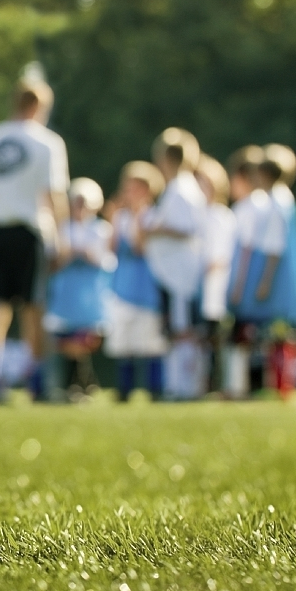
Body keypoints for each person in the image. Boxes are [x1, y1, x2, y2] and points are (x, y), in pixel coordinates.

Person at [0, 76, 70, 403]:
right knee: (32, 309)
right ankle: (37, 384)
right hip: (30, 231)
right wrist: (61, 237)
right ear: (39, 106)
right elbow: (54, 197)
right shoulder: (47, 143)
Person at [142, 128, 208, 400]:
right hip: (172, 274)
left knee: (184, 332)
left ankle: (185, 386)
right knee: (177, 331)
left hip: (181, 275)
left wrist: (155, 230)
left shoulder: (182, 189)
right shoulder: (178, 188)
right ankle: (178, 385)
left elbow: (188, 228)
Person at [44, 177, 115, 402]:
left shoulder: (101, 229)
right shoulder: (62, 228)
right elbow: (53, 262)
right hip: (66, 294)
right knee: (67, 343)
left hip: (89, 295)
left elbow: (106, 261)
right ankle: (76, 385)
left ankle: (82, 383)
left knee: (83, 343)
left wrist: (84, 254)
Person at [226, 146, 287, 397]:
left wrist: (240, 286)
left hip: (248, 284)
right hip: (250, 283)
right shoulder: (264, 204)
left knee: (245, 336)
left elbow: (247, 250)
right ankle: (250, 386)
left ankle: (243, 387)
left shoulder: (251, 208)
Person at [105, 161, 167, 402]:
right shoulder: (121, 218)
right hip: (123, 286)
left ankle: (155, 389)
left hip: (147, 288)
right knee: (124, 343)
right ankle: (124, 389)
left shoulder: (153, 217)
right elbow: (112, 249)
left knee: (151, 342)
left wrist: (138, 218)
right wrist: (112, 220)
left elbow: (141, 248)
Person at [260, 144, 296, 397]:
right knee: (281, 332)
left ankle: (282, 386)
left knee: (280, 333)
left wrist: (265, 280)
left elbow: (274, 247)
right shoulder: (285, 198)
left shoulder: (276, 201)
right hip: (289, 276)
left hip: (280, 279)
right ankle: (280, 385)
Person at [194, 154, 237, 394]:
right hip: (196, 286)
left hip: (216, 287)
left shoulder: (222, 216)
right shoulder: (194, 216)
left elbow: (222, 256)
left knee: (217, 338)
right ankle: (202, 384)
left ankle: (221, 384)